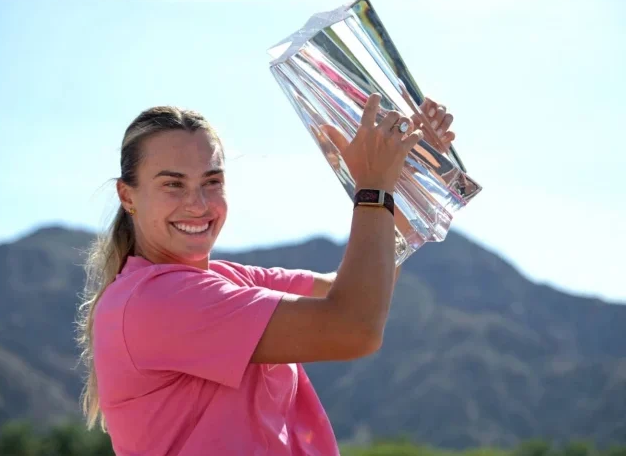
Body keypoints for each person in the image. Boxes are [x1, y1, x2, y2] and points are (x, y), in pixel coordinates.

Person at [76, 93, 455, 455]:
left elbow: (360, 289)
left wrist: (403, 174)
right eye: (173, 184)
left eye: (212, 182)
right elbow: (355, 327)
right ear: (127, 196)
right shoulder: (155, 301)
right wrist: (373, 188)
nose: (198, 204)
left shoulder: (221, 281)